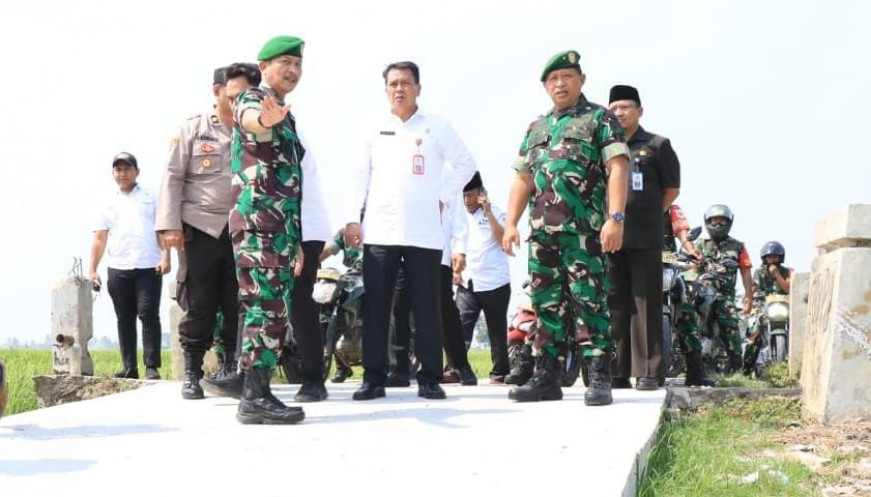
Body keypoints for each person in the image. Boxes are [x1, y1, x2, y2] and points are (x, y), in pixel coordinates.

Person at [344, 60, 477, 401]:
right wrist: (352, 218)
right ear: (385, 90)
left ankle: (429, 377)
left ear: (418, 88)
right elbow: (359, 174)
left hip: (424, 232)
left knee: (427, 307)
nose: (399, 89)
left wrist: (442, 195)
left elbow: (466, 164)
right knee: (377, 307)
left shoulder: (436, 126)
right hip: (381, 230)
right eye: (393, 84)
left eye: (406, 82)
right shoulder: (372, 127)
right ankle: (373, 377)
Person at [503, 50, 629, 406]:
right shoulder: (537, 127)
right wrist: (510, 223)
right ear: (546, 86)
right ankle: (546, 376)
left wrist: (615, 218)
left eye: (567, 77)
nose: (560, 84)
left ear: (581, 80)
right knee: (546, 305)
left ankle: (599, 376)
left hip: (584, 232)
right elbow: (522, 178)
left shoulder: (598, 119)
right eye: (553, 79)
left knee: (589, 302)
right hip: (542, 234)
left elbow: (618, 166)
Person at [157, 63, 260, 399]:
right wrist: (170, 225)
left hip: (242, 229)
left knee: (236, 301)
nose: (241, 101)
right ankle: (192, 371)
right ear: (218, 92)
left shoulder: (254, 128)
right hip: (199, 228)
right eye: (235, 95)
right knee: (199, 302)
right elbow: (172, 176)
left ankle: (229, 368)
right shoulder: (193, 129)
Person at [228, 35, 312, 425]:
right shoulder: (254, 99)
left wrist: (296, 241)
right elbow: (251, 120)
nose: (293, 70)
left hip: (278, 229)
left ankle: (256, 392)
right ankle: (254, 397)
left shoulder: (285, 112)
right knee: (265, 308)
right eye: (285, 63)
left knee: (272, 309)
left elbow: (290, 184)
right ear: (264, 67)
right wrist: (264, 121)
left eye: (298, 64)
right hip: (260, 225)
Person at [606, 85, 681, 391]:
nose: (619, 113)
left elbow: (672, 189)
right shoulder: (604, 146)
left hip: (645, 236)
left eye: (626, 107)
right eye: (614, 108)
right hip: (610, 237)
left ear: (640, 111)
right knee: (615, 304)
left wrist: (647, 213)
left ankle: (649, 371)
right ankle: (617, 371)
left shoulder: (657, 145)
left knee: (645, 303)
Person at [89, 152, 171, 380]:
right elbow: (100, 238)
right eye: (118, 169)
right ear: (113, 173)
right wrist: (93, 269)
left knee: (148, 314)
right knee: (124, 318)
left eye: (127, 169)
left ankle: (152, 366)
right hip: (118, 267)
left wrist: (166, 257)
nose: (122, 174)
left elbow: (162, 231)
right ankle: (129, 367)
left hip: (149, 265)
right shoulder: (107, 201)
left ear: (137, 172)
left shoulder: (151, 197)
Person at [288, 125, 333, 403]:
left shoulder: (284, 130)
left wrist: (294, 239)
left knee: (298, 300)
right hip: (274, 227)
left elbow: (289, 185)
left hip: (300, 228)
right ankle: (246, 374)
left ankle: (313, 377)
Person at [455, 172, 511, 383]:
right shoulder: (459, 216)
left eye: (471, 195)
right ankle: (454, 369)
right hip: (468, 281)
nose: (467, 200)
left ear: (481, 193)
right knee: (459, 326)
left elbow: (503, 240)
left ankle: (500, 372)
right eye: (465, 196)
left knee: (496, 331)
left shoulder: (497, 212)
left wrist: (488, 212)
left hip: (494, 282)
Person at [693, 204, 754, 372]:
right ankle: (693, 364)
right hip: (702, 294)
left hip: (725, 296)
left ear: (729, 223)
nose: (718, 224)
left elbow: (746, 272)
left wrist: (749, 297)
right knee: (691, 324)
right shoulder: (699, 244)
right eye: (715, 220)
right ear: (708, 222)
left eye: (722, 220)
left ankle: (736, 367)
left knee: (731, 325)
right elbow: (692, 269)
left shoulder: (738, 246)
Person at [664, 204, 714, 387]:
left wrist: (691, 250)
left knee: (685, 308)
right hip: (633, 261)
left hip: (666, 262)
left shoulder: (672, 209)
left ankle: (695, 370)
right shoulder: (626, 200)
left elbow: (682, 230)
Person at [439, 195, 478, 386]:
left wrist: (459, 249)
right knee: (399, 307)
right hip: (403, 250)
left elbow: (458, 219)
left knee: (446, 309)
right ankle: (398, 369)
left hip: (438, 253)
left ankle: (461, 365)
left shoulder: (446, 179)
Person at [743, 241, 792, 375]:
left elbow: (788, 288)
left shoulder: (787, 271)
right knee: (754, 333)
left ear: (780, 257)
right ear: (765, 258)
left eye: (775, 257)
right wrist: (748, 299)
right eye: (770, 257)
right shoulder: (759, 272)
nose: (773, 259)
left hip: (783, 307)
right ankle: (745, 369)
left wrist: (777, 274)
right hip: (764, 307)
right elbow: (752, 289)